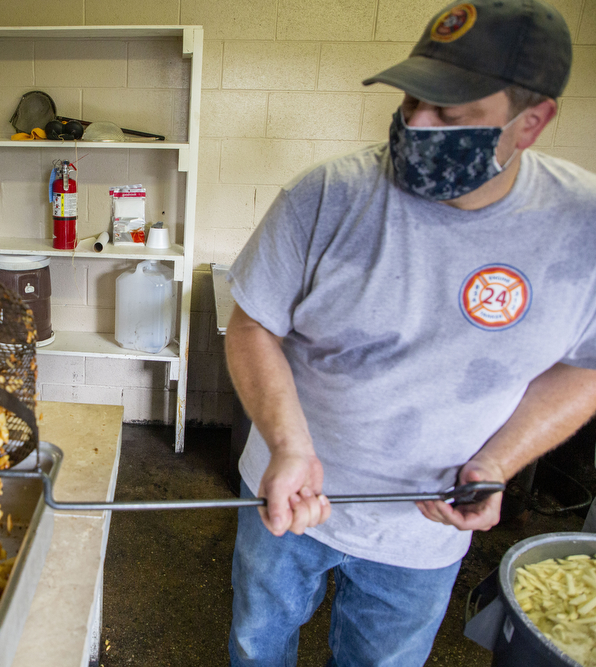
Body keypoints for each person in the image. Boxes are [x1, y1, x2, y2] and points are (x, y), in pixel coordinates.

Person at [225, 1, 596, 665]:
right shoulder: (328, 195)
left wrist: (498, 463)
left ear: (532, 121)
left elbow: (586, 367)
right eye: (412, 99)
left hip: (423, 532)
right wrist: (287, 442)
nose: (417, 124)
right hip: (288, 496)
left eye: (451, 114)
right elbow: (253, 324)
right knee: (258, 644)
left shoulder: (582, 230)